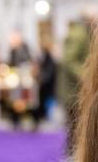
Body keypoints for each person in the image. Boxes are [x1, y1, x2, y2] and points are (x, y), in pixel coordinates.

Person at [57, 18, 90, 152]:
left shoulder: (80, 33)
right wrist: (87, 75)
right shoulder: (78, 34)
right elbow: (69, 60)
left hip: (75, 90)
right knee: (75, 129)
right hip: (73, 91)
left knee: (76, 129)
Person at [32, 43, 57, 130]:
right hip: (44, 84)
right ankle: (44, 118)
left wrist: (41, 78)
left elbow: (49, 73)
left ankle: (48, 119)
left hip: (48, 85)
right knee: (43, 102)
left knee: (48, 103)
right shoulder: (43, 58)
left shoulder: (49, 58)